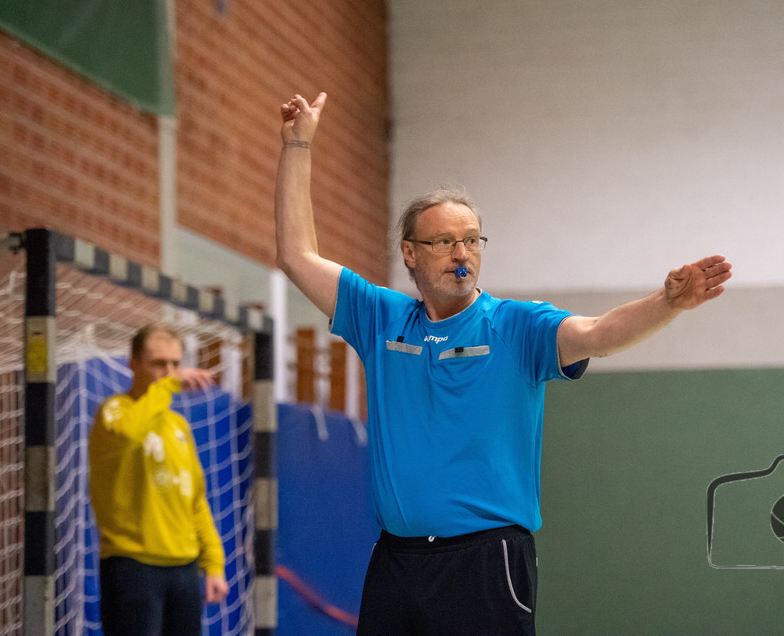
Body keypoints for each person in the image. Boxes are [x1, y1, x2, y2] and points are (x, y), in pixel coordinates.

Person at [276, 92, 732, 634]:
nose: (461, 253)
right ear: (409, 253)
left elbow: (597, 334)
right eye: (444, 241)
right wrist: (298, 145)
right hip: (397, 562)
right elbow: (297, 256)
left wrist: (667, 303)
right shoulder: (378, 316)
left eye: (471, 240)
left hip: (487, 564)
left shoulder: (518, 327)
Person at [88, 323, 229, 636]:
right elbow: (128, 436)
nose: (169, 373)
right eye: (158, 364)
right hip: (132, 567)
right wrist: (165, 388)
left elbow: (195, 501)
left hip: (184, 570)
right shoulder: (114, 412)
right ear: (133, 363)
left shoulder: (178, 425)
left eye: (175, 364)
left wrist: (214, 563)